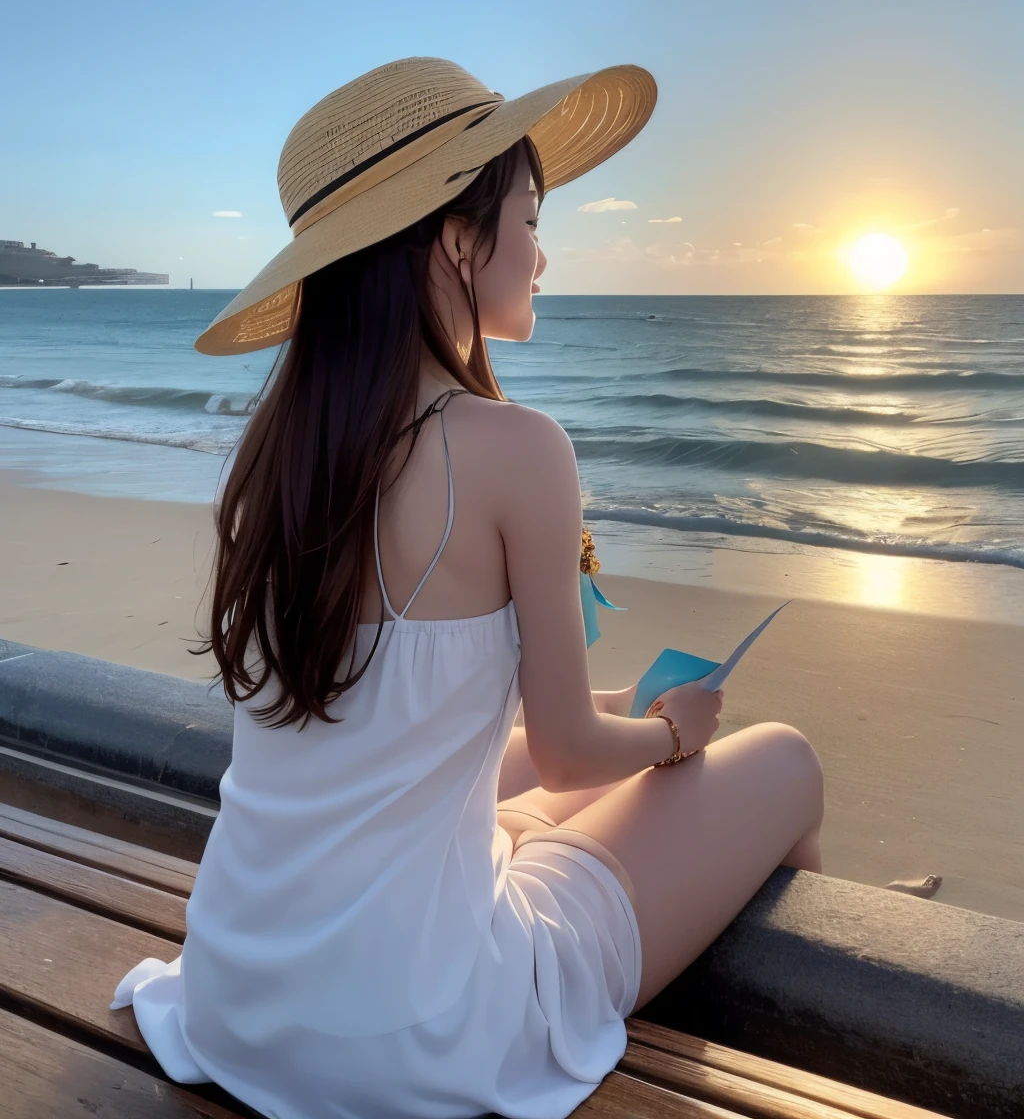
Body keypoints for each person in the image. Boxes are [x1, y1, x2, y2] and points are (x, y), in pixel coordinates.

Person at [112, 57, 824, 1119]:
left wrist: (617, 716)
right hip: (420, 1027)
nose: (543, 254)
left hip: (238, 996)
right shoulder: (514, 447)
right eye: (529, 218)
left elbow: (390, 744)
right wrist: (675, 734)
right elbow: (576, 751)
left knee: (544, 814)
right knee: (783, 762)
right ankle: (820, 936)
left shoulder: (279, 460)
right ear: (454, 237)